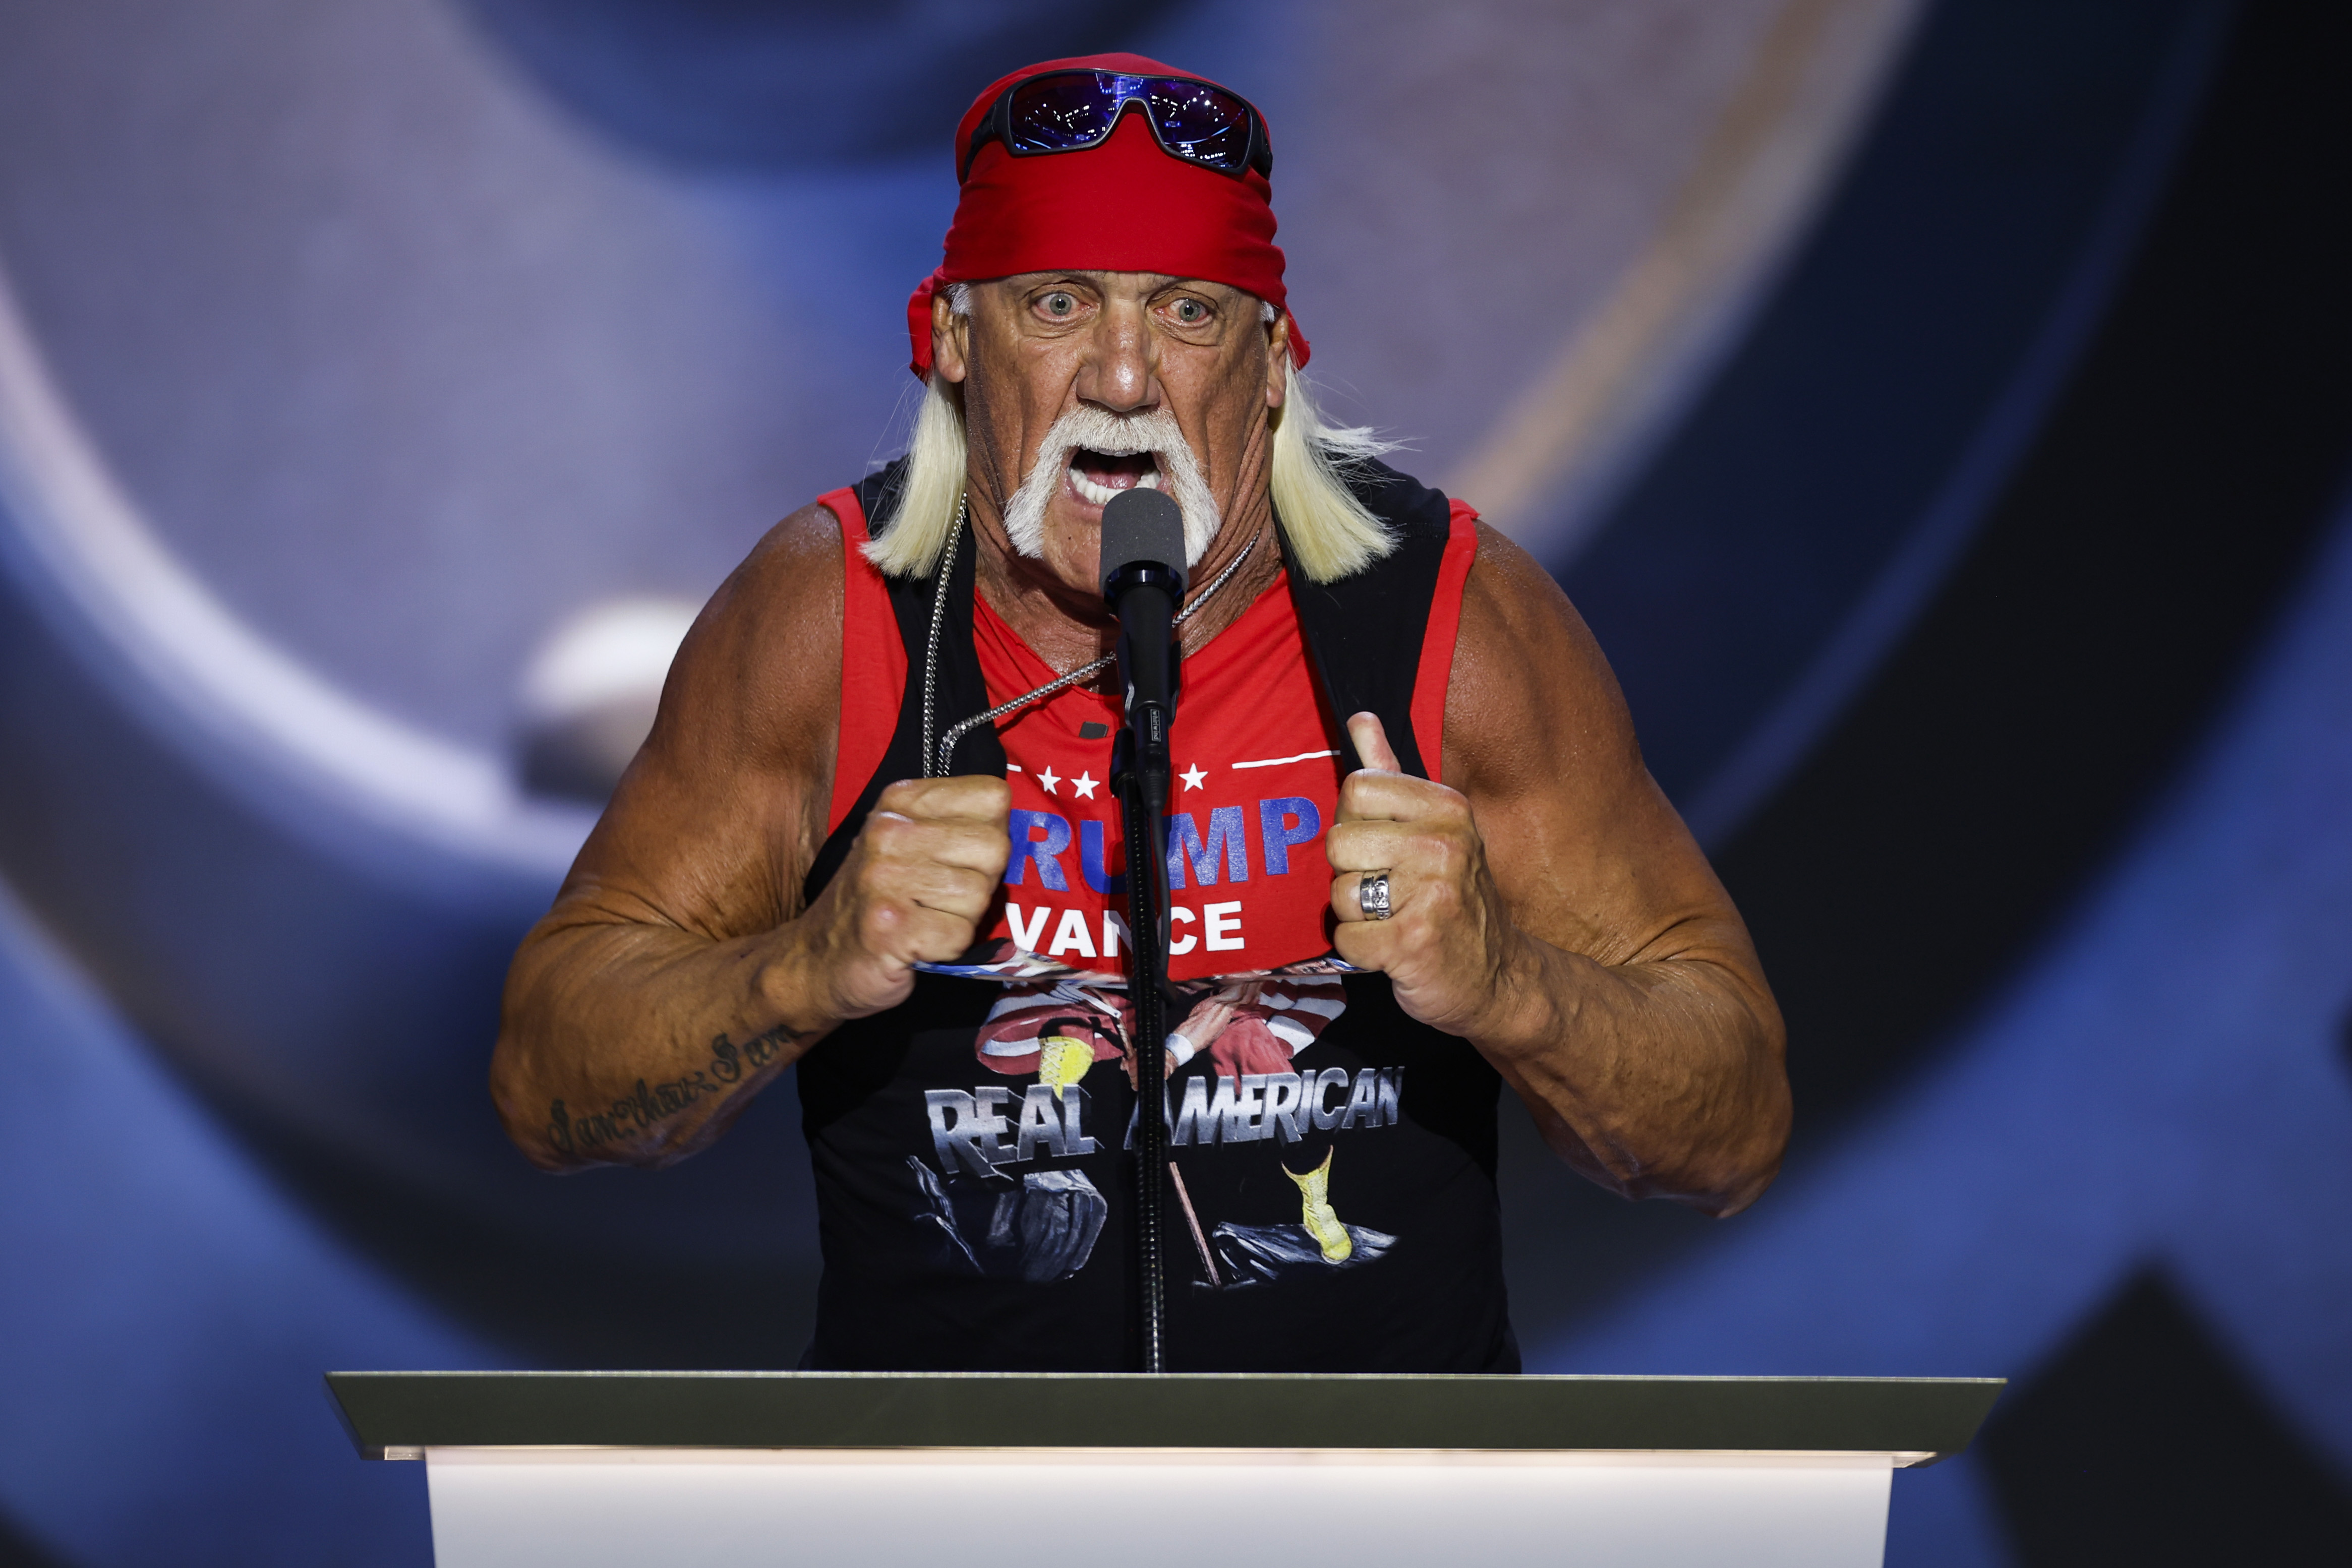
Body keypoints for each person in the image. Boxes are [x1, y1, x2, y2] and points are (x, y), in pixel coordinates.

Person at [490, 53, 1790, 1372]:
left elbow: (1731, 1131)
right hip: (949, 1511)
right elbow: (551, 1088)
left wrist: (1508, 981)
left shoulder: (1448, 621)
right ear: (949, 339)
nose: (1123, 377)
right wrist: (805, 964)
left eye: (1188, 313)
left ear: (1273, 364)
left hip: (1373, 1512)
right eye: (1058, 304)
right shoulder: (832, 619)